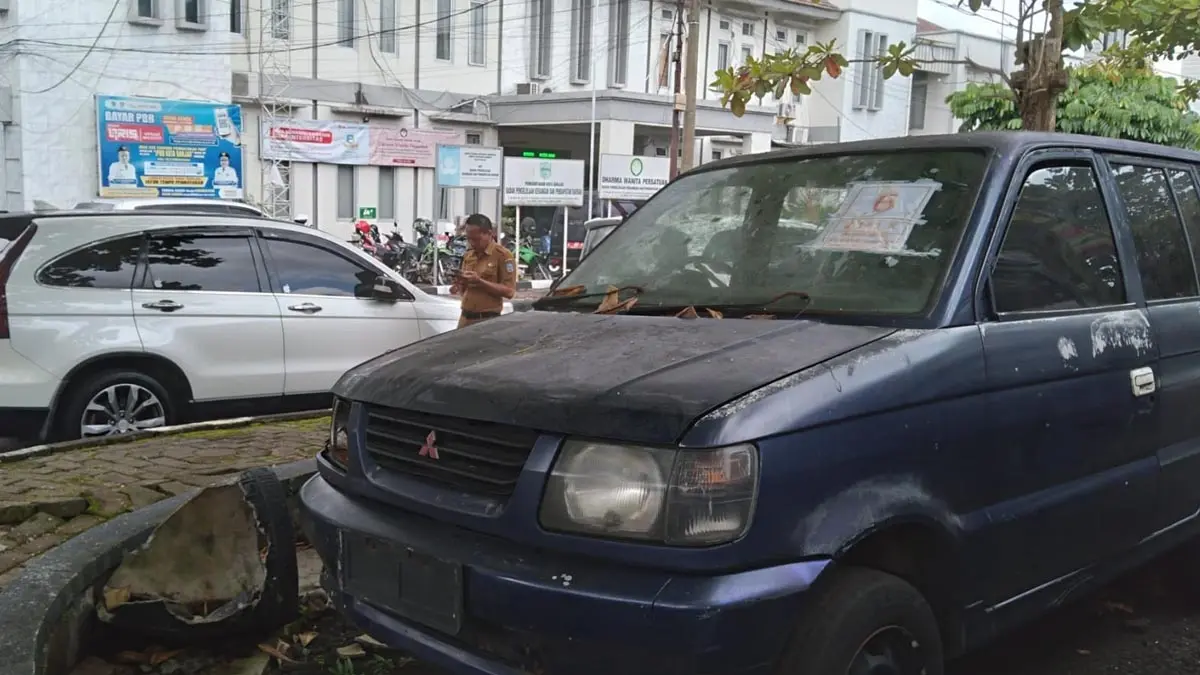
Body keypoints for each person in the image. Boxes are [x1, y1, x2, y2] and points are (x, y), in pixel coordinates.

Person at [451, 213, 516, 328]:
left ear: (489, 234)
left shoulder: (503, 255)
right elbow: (464, 289)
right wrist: (458, 284)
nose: (472, 243)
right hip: (465, 318)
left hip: (486, 320)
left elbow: (509, 292)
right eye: (469, 239)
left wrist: (480, 282)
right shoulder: (469, 255)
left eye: (476, 239)